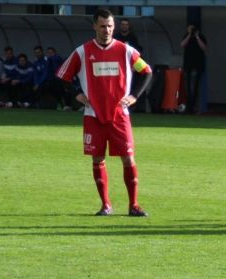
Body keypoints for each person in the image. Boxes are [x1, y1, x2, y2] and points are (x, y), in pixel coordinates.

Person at [56, 8, 153, 217]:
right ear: (94, 26)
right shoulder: (82, 52)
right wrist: (76, 95)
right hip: (93, 116)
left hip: (120, 116)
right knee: (97, 160)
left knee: (128, 159)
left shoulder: (126, 51)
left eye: (110, 26)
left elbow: (146, 72)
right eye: (102, 26)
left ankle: (134, 205)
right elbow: (62, 76)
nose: (107, 30)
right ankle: (105, 205)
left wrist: (134, 96)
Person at [180, 24, 207, 114]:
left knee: (194, 87)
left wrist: (197, 36)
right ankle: (189, 107)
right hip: (188, 65)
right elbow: (182, 44)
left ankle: (194, 107)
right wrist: (189, 35)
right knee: (188, 88)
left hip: (197, 65)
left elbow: (204, 48)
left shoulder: (201, 37)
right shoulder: (186, 36)